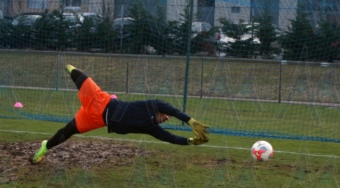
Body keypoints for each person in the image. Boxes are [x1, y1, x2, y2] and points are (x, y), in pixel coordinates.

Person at [32, 65, 211, 163]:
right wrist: (192, 122)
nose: (168, 118)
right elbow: (172, 109)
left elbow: (170, 138)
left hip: (97, 120)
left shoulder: (152, 128)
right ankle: (66, 65)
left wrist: (190, 141)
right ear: (160, 111)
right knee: (78, 75)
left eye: (168, 118)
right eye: (166, 116)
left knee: (67, 131)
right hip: (101, 101)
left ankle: (45, 146)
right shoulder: (153, 105)